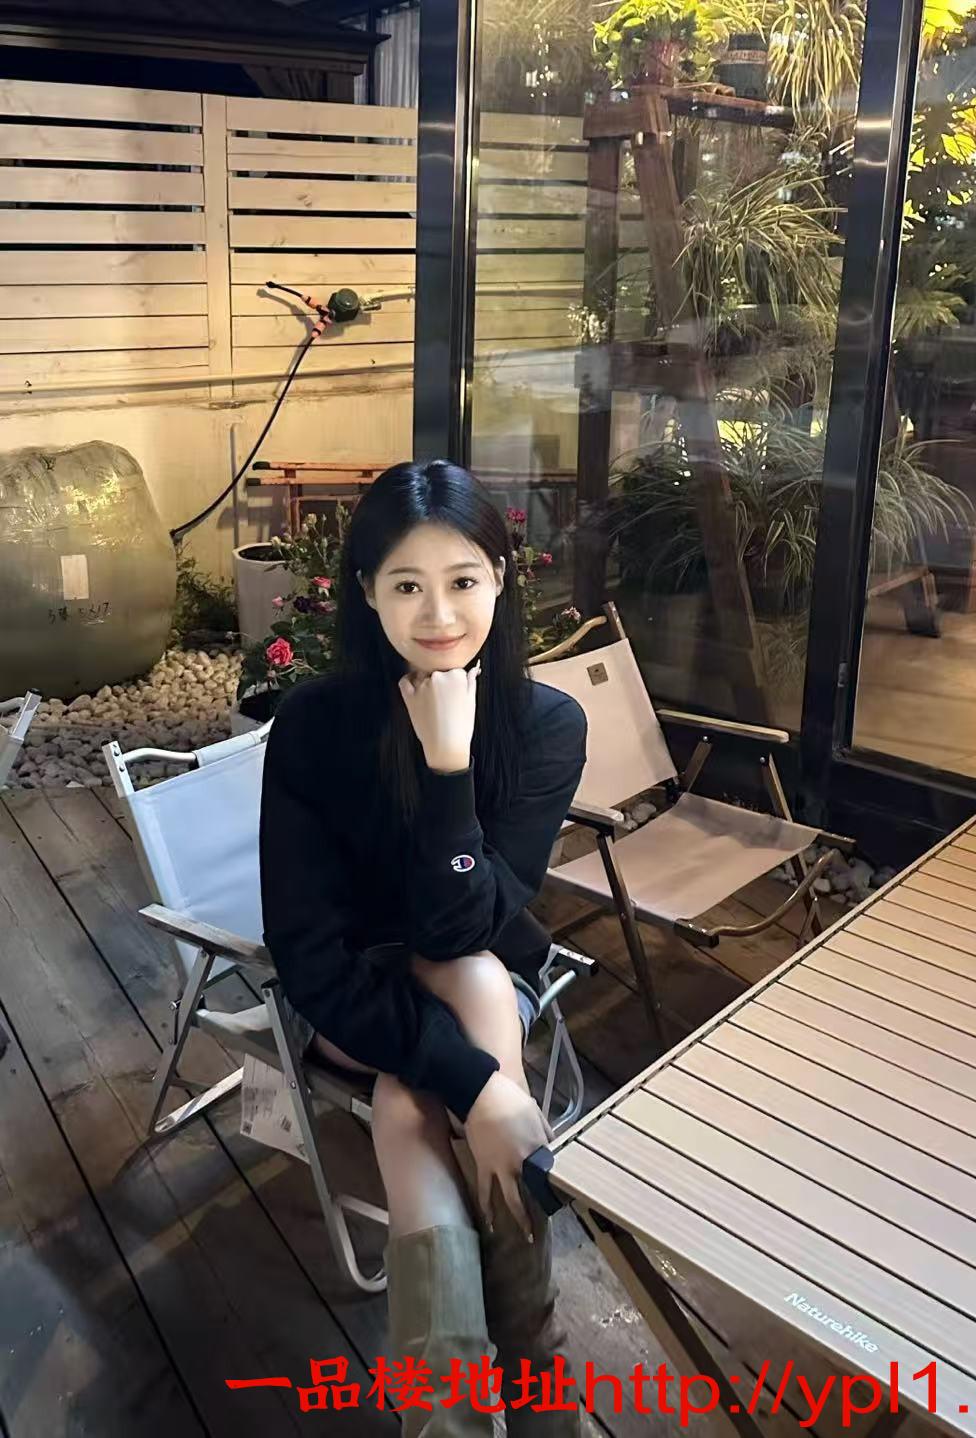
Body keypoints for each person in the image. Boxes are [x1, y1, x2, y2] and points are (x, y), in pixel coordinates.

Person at [259, 460, 588, 1437]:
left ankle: (446, 1414)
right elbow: (310, 957)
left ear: (501, 578)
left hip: (467, 968)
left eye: (462, 580)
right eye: (407, 584)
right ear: (367, 591)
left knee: (423, 1077)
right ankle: (539, 1391)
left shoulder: (543, 726)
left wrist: (450, 763)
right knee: (473, 1001)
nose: (438, 614)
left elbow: (460, 928)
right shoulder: (314, 727)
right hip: (353, 996)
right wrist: (485, 1089)